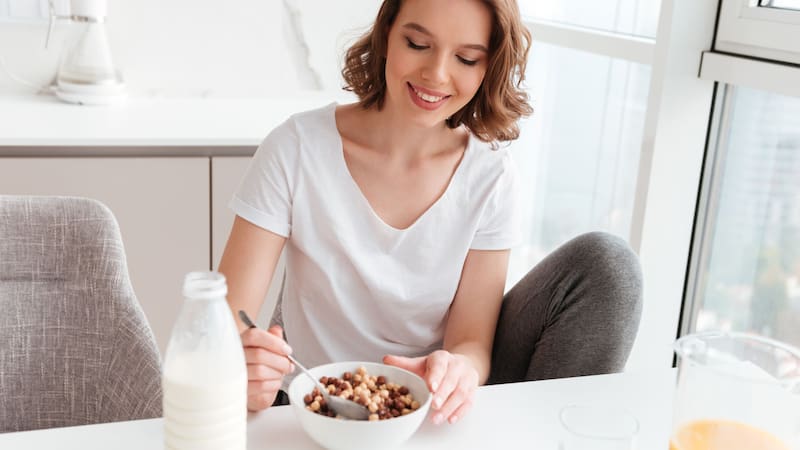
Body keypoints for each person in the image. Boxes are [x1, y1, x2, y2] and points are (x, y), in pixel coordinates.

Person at [219, 0, 643, 426]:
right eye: (418, 43)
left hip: (430, 410)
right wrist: (245, 367)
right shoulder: (295, 148)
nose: (436, 74)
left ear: (487, 67)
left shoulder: (491, 177)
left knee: (609, 266)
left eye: (465, 58)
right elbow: (228, 321)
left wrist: (460, 369)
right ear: (386, 35)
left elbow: (472, 341)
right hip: (314, 410)